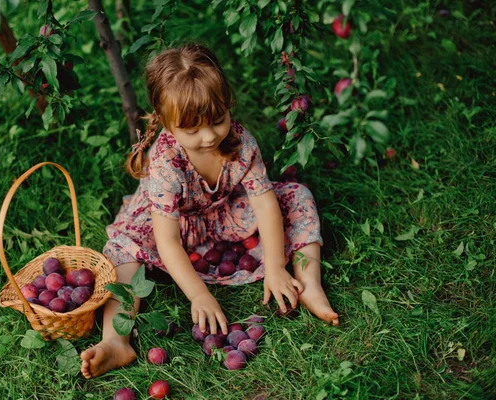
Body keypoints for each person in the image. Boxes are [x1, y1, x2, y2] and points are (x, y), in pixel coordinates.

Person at [80, 43, 338, 379]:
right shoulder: (165, 162)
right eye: (192, 130)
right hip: (174, 227)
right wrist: (199, 295)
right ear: (168, 125)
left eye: (218, 121)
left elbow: (263, 202)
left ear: (227, 104)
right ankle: (117, 340)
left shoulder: (241, 142)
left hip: (225, 214)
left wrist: (275, 265)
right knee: (121, 249)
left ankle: (309, 284)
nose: (209, 136)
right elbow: (167, 240)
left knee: (298, 196)